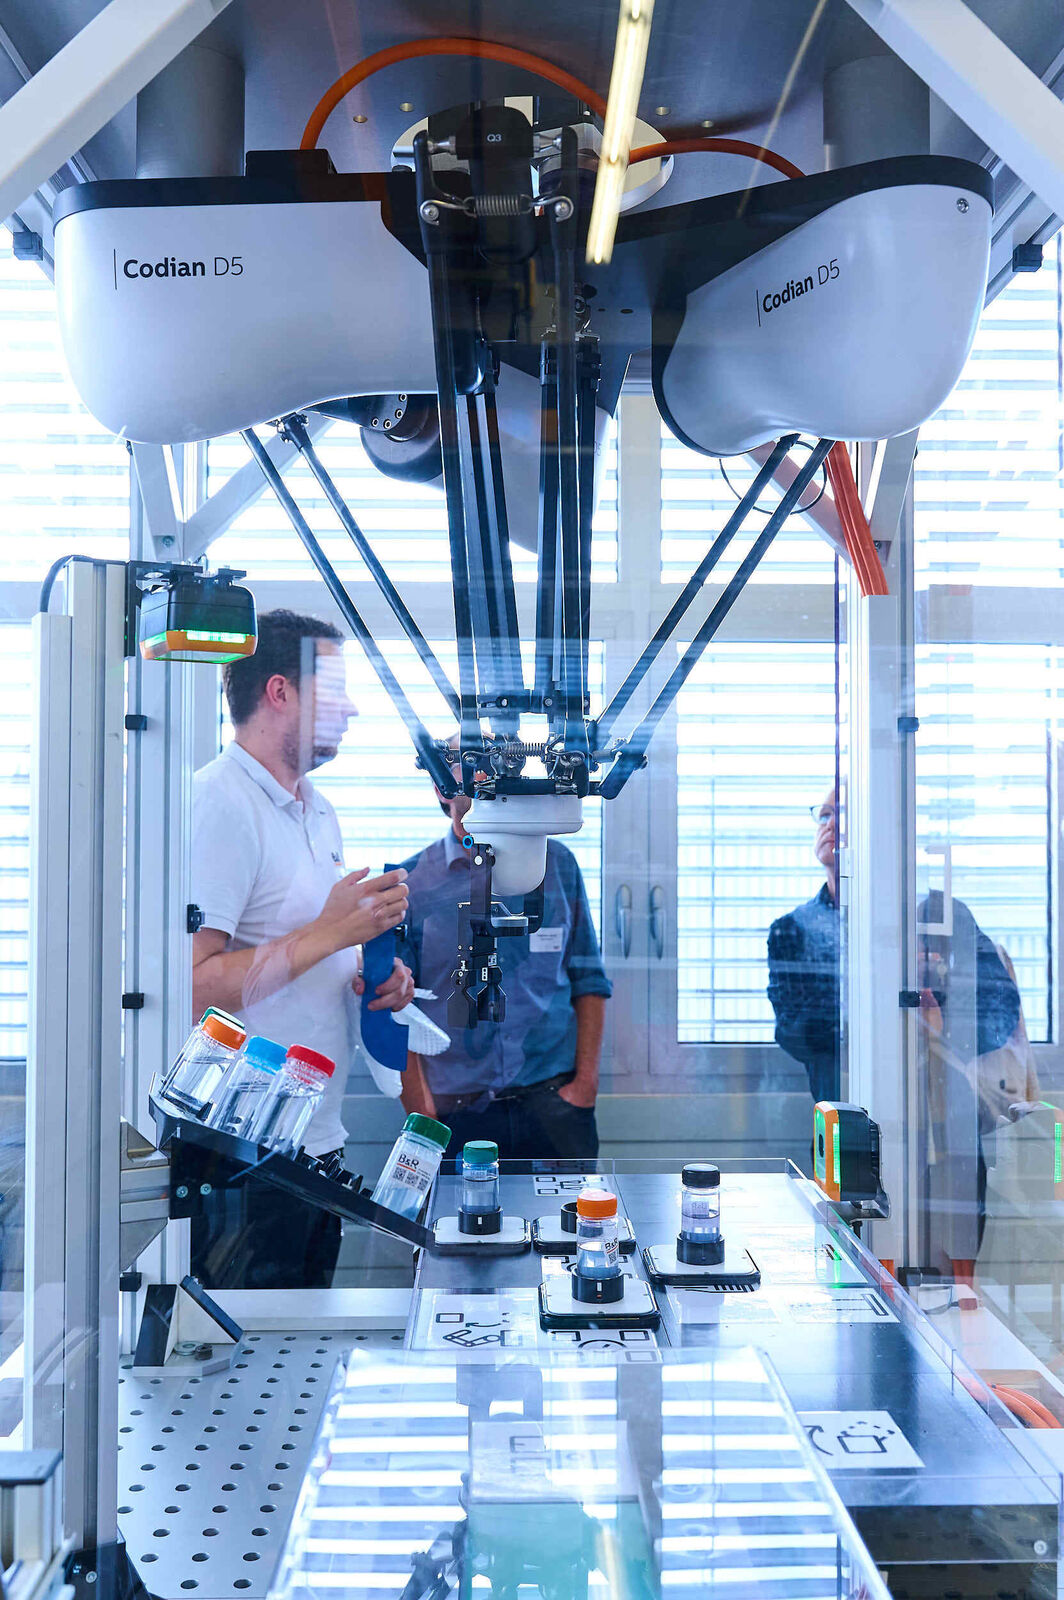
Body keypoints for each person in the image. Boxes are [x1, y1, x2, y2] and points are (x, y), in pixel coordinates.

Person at [188, 608, 414, 1289]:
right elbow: (189, 987)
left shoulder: (316, 809)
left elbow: (303, 952)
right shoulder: (218, 804)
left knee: (300, 1344)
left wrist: (369, 971)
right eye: (335, 691)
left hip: (313, 1142)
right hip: (240, 1153)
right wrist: (331, 934)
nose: (352, 709)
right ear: (279, 692)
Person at [397, 744, 611, 1160]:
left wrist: (585, 1087)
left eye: (496, 759)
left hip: (556, 1104)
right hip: (456, 1112)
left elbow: (589, 981)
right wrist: (424, 1116)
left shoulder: (558, 866)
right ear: (441, 787)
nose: (487, 773)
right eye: (472, 761)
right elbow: (396, 1010)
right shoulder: (413, 885)